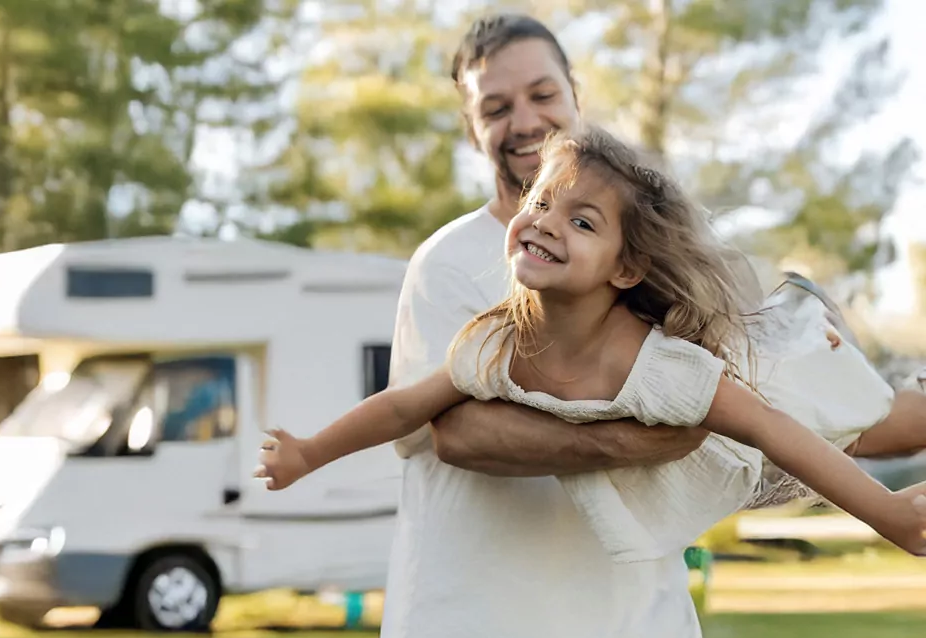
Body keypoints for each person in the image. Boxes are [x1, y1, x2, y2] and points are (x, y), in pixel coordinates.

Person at [262, 14, 924, 638]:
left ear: (576, 94)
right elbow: (451, 430)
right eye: (495, 107)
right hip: (476, 635)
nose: (523, 119)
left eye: (542, 94)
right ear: (472, 128)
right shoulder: (462, 280)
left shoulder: (656, 331)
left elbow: (777, 420)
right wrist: (311, 451)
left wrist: (879, 498)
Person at [255, 124, 926, 554]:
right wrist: (310, 452)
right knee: (865, 417)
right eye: (541, 203)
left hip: (758, 412)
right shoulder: (495, 343)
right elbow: (403, 407)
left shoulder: (659, 366)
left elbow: (774, 427)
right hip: (713, 459)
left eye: (582, 222)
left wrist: (887, 514)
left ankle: (837, 338)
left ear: (626, 268)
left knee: (876, 417)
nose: (546, 222)